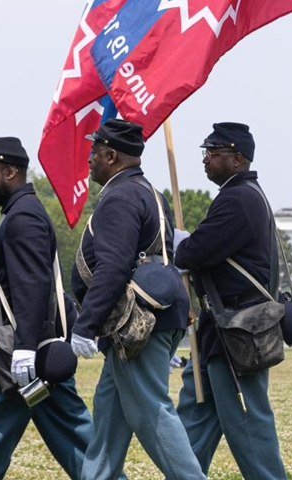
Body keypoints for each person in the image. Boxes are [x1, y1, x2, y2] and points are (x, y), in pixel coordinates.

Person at [69, 119, 206, 480]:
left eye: (94, 151)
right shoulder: (148, 191)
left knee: (150, 412)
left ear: (111, 155)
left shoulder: (121, 196)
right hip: (149, 320)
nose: (90, 159)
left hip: (138, 323)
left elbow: (113, 267)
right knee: (110, 415)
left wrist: (87, 324)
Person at [0, 137, 98, 479]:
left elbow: (32, 287)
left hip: (18, 352)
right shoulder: (18, 214)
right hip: (29, 350)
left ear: (10, 171)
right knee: (78, 442)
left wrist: (25, 349)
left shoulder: (23, 217)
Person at [174, 122, 287, 478]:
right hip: (219, 326)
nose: (206, 160)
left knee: (247, 424)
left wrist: (182, 243)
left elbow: (195, 252)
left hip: (237, 328)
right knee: (197, 415)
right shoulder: (241, 194)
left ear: (237, 158)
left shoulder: (238, 198)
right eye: (205, 152)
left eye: (213, 153)